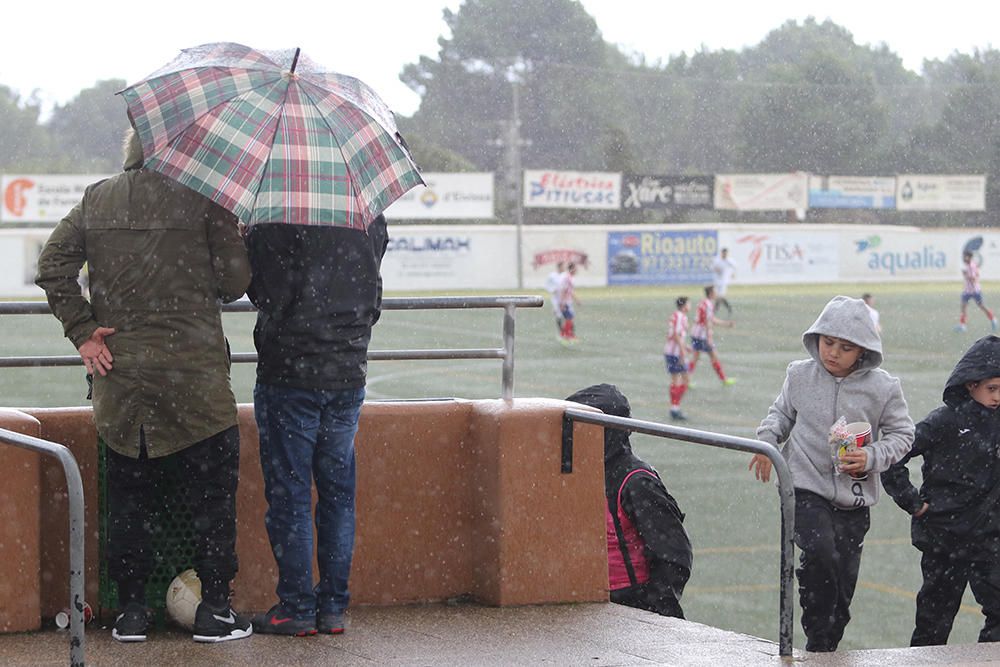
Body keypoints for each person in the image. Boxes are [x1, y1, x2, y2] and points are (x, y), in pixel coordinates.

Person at [34, 128, 253, 643]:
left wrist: (84, 333)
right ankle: (215, 610)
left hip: (124, 386)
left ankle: (131, 612)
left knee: (131, 503)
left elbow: (52, 267)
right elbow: (235, 284)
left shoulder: (97, 197)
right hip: (196, 387)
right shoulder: (207, 200)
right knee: (211, 503)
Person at [246, 211, 389, 637]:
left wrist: (250, 240)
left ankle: (295, 606)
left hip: (290, 375)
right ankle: (332, 607)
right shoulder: (367, 214)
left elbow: (267, 295)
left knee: (290, 495)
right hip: (346, 372)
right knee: (338, 496)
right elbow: (373, 294)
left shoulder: (279, 214)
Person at [748, 295, 914, 652]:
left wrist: (871, 456)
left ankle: (827, 638)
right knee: (820, 552)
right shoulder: (799, 375)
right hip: (805, 487)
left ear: (863, 351)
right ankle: (817, 635)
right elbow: (780, 415)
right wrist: (767, 444)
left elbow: (903, 435)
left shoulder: (884, 388)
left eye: (845, 347)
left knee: (843, 580)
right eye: (827, 342)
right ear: (816, 339)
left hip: (854, 500)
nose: (833, 353)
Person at [882, 335, 1000, 647]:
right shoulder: (944, 421)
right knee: (933, 624)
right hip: (944, 539)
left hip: (991, 540)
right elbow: (893, 457)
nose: (998, 396)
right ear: (970, 384)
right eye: (992, 388)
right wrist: (914, 503)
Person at [565, 384, 693, 618]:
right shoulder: (582, 473)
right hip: (592, 604)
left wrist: (649, 610)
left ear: (604, 433)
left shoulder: (636, 482)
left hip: (635, 605)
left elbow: (674, 555)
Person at [688, 285, 735, 385]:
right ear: (711, 293)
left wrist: (725, 324)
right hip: (702, 335)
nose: (716, 293)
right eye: (715, 292)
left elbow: (709, 319)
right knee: (713, 356)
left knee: (695, 357)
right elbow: (708, 321)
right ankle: (724, 379)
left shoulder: (703, 302)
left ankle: (687, 379)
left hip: (695, 333)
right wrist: (709, 337)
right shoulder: (709, 304)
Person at [663, 296, 692, 421]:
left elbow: (675, 334)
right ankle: (674, 408)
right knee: (681, 380)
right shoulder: (680, 316)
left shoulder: (676, 315)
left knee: (681, 380)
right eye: (689, 304)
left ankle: (675, 407)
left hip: (672, 351)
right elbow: (675, 334)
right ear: (684, 305)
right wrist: (682, 350)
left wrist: (685, 346)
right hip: (675, 353)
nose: (690, 306)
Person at [957, 251, 998, 333]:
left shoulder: (971, 266)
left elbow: (973, 279)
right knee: (963, 306)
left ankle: (993, 319)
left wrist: (965, 275)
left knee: (981, 306)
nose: (964, 258)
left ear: (969, 257)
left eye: (965, 256)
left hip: (974, 290)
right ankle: (962, 325)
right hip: (968, 290)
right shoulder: (970, 265)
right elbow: (977, 275)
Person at [558, 262, 580, 344]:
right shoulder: (568, 278)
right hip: (565, 302)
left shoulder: (569, 277)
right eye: (575, 268)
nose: (577, 270)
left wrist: (576, 299)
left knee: (569, 318)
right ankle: (566, 336)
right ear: (572, 269)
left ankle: (565, 335)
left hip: (567, 301)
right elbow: (564, 290)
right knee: (569, 318)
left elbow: (569, 291)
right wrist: (562, 303)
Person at [711, 247, 736, 315]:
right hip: (716, 281)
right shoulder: (717, 260)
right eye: (723, 253)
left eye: (726, 253)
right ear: (721, 253)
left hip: (724, 281)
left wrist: (733, 273)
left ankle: (716, 309)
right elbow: (712, 267)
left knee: (720, 296)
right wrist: (716, 269)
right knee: (717, 296)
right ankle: (725, 308)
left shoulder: (729, 260)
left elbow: (734, 267)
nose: (725, 254)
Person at [544, 261, 565, 338]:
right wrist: (552, 290)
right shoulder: (552, 276)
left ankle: (568, 332)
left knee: (566, 315)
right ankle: (561, 332)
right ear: (559, 267)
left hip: (564, 299)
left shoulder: (564, 275)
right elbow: (546, 285)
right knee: (559, 315)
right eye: (562, 266)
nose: (564, 268)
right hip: (555, 299)